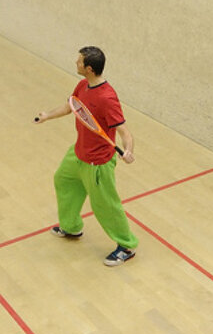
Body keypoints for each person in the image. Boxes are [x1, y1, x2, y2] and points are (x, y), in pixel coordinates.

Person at [34, 46, 139, 266]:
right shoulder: (83, 85)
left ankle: (126, 245)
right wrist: (47, 116)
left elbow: (124, 131)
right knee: (63, 180)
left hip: (97, 163)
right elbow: (71, 106)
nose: (75, 63)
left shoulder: (107, 98)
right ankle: (71, 227)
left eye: (79, 61)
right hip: (78, 152)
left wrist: (128, 150)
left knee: (105, 205)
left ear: (89, 68)